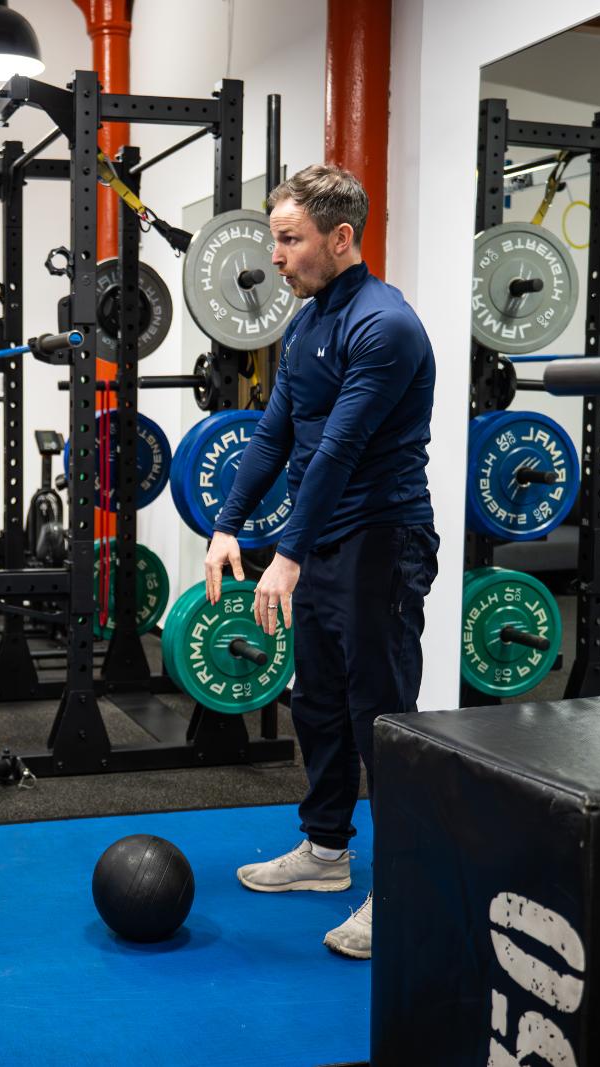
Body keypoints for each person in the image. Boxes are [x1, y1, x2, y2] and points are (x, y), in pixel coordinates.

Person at [207, 164, 439, 960]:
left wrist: (289, 553)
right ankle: (326, 853)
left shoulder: (385, 326)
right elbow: (277, 431)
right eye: (275, 238)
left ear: (339, 238)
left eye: (288, 238)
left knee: (379, 712)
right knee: (320, 702)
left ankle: (406, 881)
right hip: (327, 538)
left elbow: (339, 450)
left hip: (381, 538)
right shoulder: (305, 322)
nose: (275, 256)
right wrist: (228, 525)